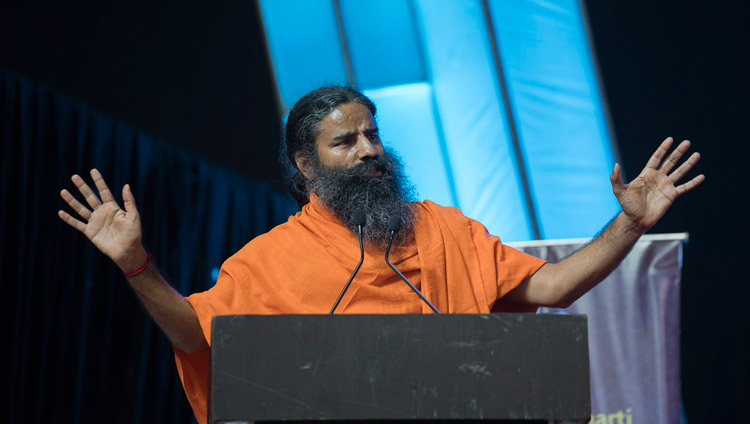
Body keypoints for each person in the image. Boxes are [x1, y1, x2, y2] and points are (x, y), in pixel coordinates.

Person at [58, 86, 704, 422]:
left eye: (373, 134)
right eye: (347, 142)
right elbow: (195, 337)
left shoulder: (444, 228)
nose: (370, 150)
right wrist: (135, 264)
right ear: (307, 166)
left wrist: (627, 224)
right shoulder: (269, 258)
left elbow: (554, 288)